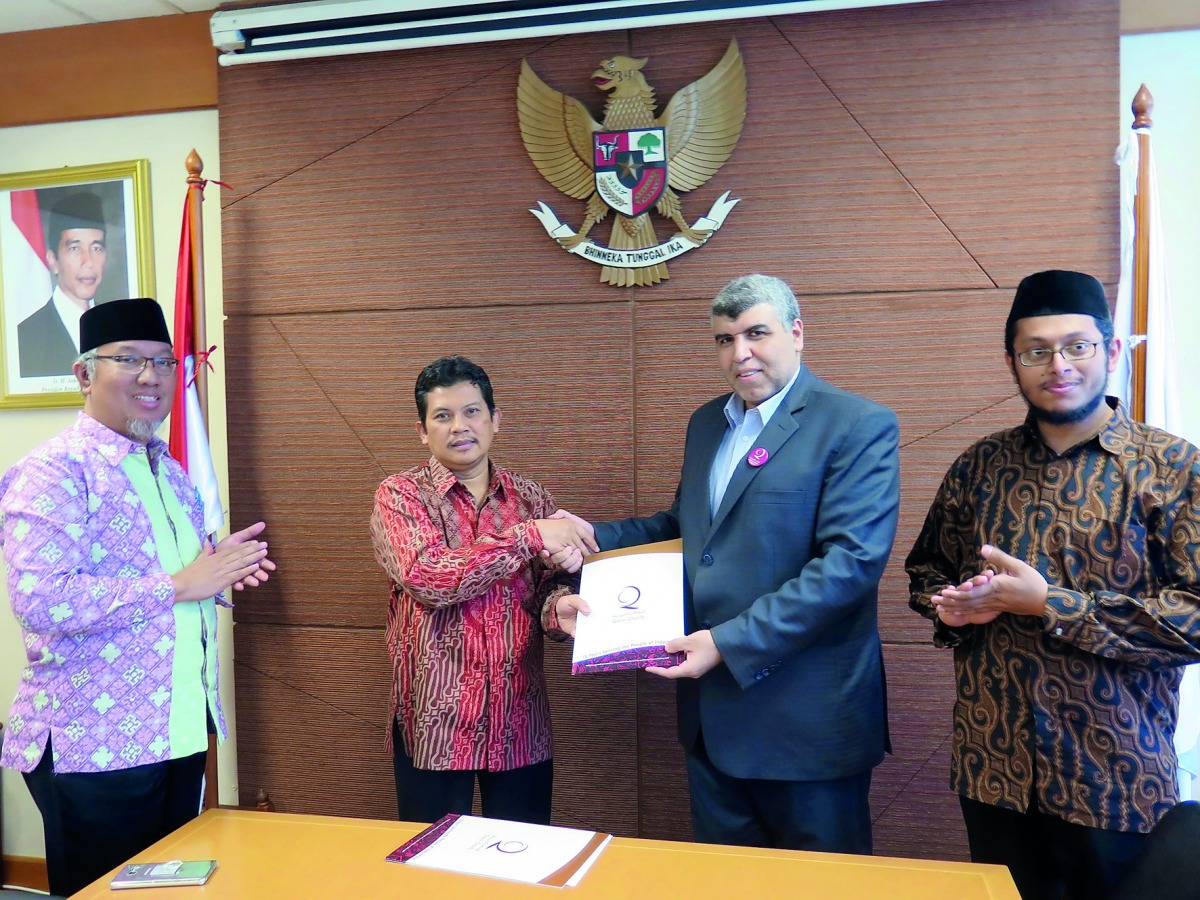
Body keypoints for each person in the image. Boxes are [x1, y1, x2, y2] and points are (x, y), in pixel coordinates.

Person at [549, 274, 900, 853]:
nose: (740, 353)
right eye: (724, 339)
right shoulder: (709, 423)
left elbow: (850, 566)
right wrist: (596, 538)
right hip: (713, 723)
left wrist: (727, 643)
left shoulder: (856, 425)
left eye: (756, 333)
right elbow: (690, 529)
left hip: (807, 726)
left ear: (797, 332)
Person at [905, 269, 1200, 900]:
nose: (1057, 365)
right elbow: (926, 569)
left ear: (1111, 350)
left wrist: (1051, 604)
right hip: (993, 770)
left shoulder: (1173, 468)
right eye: (1036, 351)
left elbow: (1196, 615)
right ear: (1012, 361)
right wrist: (953, 607)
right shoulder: (979, 466)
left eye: (1076, 346)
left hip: (1115, 775)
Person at [1, 297, 275, 896]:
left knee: (167, 891)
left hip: (175, 730)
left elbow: (183, 583)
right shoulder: (55, 471)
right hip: (93, 747)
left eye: (164, 362)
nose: (151, 377)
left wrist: (222, 574)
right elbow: (43, 599)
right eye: (129, 360)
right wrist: (182, 584)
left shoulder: (168, 470)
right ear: (83, 374)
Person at [370, 355, 596, 826]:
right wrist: (528, 537)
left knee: (522, 863)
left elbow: (550, 587)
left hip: (520, 719)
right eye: (443, 416)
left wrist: (561, 609)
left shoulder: (531, 499)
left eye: (472, 411)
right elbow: (428, 577)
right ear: (422, 430)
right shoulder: (400, 495)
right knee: (430, 868)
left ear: (496, 419)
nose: (459, 426)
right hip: (434, 720)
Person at [18, 192, 109, 377]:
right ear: (53, 260)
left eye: (96, 248)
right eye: (75, 248)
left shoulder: (118, 327)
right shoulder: (25, 336)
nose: (88, 261)